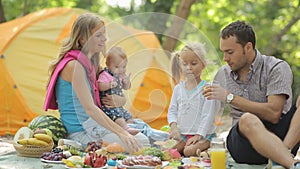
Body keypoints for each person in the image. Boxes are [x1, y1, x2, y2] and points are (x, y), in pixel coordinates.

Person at [43, 13, 150, 153]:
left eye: (104, 34)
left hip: (93, 126)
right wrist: (122, 132)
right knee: (142, 143)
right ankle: (73, 145)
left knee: (142, 138)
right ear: (82, 39)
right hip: (79, 132)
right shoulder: (74, 66)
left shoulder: (89, 65)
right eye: (98, 35)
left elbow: (109, 93)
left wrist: (120, 100)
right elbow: (90, 108)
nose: (104, 39)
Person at [203, 20, 300, 168]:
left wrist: (230, 97)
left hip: (282, 136)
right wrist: (195, 137)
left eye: (230, 52)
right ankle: (290, 163)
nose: (225, 58)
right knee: (247, 119)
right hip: (243, 143)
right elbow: (208, 114)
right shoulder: (222, 75)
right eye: (223, 52)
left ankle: (281, 157)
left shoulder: (276, 68)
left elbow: (274, 114)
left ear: (248, 47)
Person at [168, 43, 221, 157]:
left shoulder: (207, 88)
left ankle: (210, 145)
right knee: (168, 151)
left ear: (203, 64)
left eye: (193, 63)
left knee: (188, 151)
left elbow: (208, 115)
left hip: (203, 135)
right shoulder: (178, 88)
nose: (189, 67)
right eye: (184, 64)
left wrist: (199, 135)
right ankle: (197, 150)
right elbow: (172, 110)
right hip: (183, 135)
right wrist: (173, 126)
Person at [97, 46, 139, 135]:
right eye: (117, 67)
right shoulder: (105, 74)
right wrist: (109, 85)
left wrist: (126, 82)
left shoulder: (120, 76)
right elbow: (99, 85)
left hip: (118, 106)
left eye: (124, 67)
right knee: (117, 116)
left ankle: (129, 126)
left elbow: (126, 88)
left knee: (128, 115)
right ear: (108, 65)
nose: (121, 70)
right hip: (109, 107)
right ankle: (125, 128)